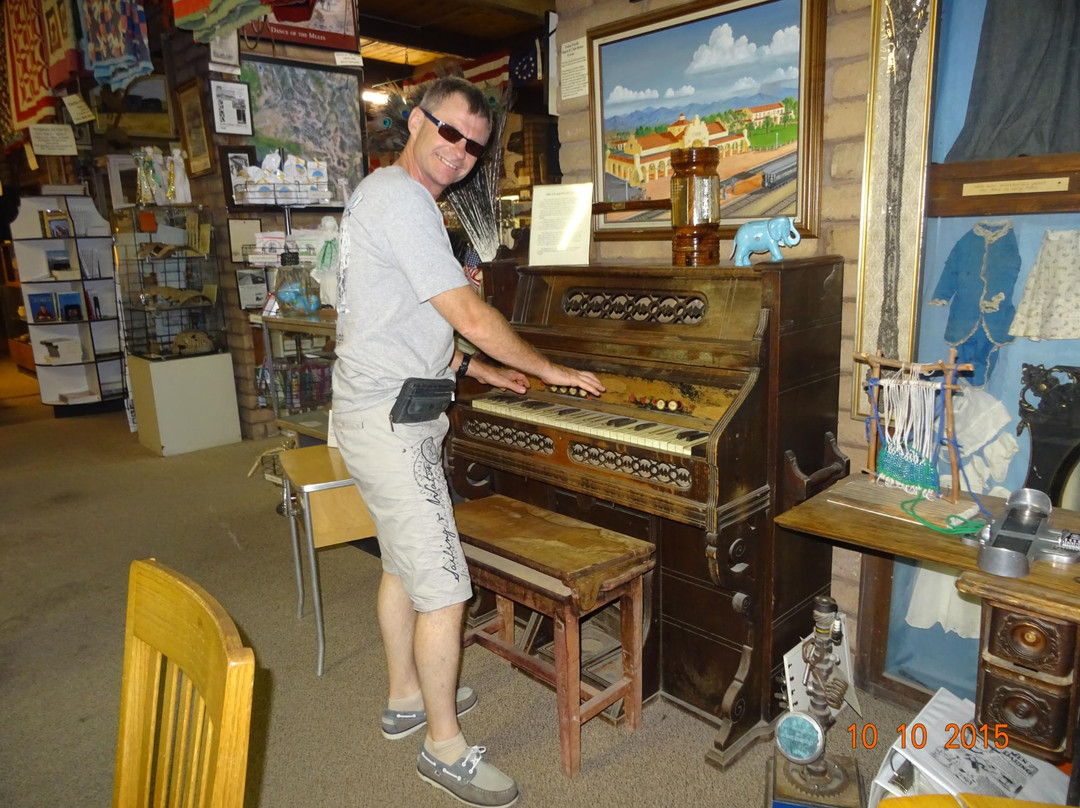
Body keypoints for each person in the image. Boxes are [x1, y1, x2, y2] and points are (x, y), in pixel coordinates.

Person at [332, 76, 604, 808]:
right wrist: (550, 369)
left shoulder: (385, 195)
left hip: (375, 411)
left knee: (402, 564)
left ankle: (405, 699)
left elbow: (402, 320)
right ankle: (443, 750)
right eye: (448, 133)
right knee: (448, 587)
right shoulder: (406, 203)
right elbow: (469, 314)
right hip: (392, 424)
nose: (459, 153)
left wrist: (481, 370)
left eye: (473, 146)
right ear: (416, 122)